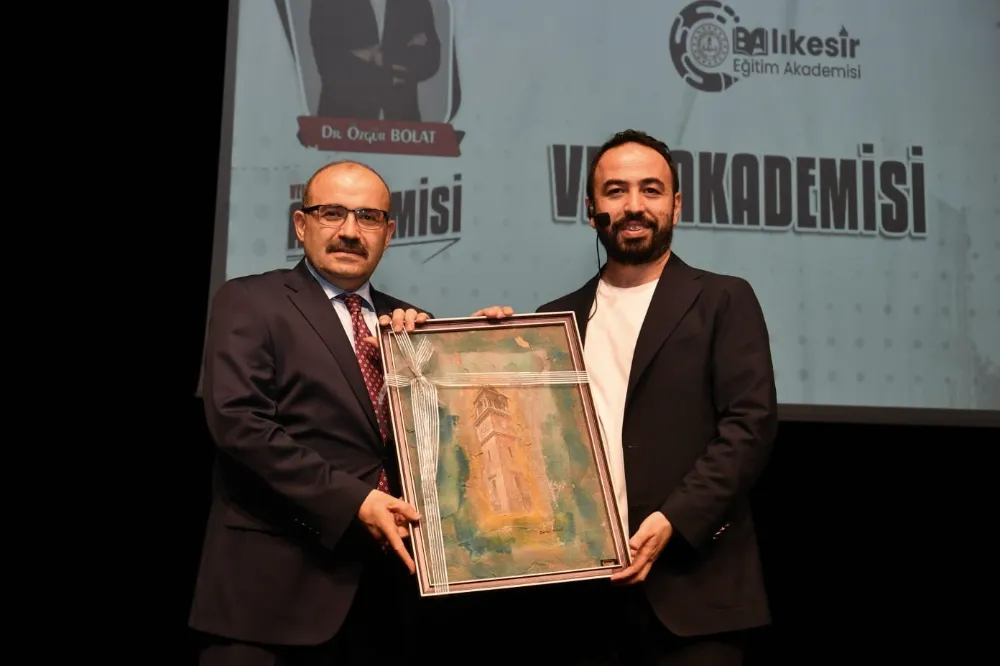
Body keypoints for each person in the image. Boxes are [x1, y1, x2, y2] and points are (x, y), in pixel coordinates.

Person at [478, 129, 778, 665]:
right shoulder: (553, 321)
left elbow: (748, 429)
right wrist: (486, 349)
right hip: (578, 601)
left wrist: (674, 520)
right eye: (615, 191)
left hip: (693, 592)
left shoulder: (723, 299)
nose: (634, 205)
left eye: (650, 190)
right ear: (590, 208)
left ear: (676, 205)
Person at [190, 160, 434, 665]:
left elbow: (440, 442)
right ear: (301, 224)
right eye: (332, 213)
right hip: (270, 600)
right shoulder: (250, 300)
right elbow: (240, 424)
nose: (350, 231)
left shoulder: (409, 324)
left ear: (389, 233)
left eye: (368, 217)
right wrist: (356, 500)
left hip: (388, 602)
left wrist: (482, 346)